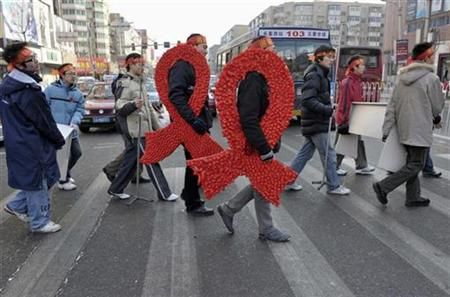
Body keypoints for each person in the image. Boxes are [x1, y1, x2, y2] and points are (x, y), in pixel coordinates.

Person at [216, 36, 290, 242]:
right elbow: (248, 118)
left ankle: (229, 209)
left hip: (265, 141)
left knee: (261, 182)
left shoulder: (265, 78)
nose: (276, 53)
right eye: (272, 49)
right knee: (265, 182)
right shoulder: (253, 80)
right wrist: (264, 147)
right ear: (260, 54)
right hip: (257, 144)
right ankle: (266, 228)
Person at [0, 42, 65, 233]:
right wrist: (58, 139)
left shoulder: (7, 86)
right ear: (19, 65)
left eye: (35, 58)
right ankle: (40, 222)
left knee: (32, 179)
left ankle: (17, 206)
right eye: (31, 60)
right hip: (32, 142)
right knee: (40, 179)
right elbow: (43, 121)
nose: (36, 63)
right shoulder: (28, 91)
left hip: (16, 141)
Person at [373, 42, 445, 207]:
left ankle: (413, 197)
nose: (433, 58)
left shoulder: (401, 79)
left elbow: (392, 105)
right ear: (426, 58)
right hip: (420, 128)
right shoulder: (431, 79)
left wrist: (387, 129)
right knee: (416, 164)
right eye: (432, 55)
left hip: (403, 128)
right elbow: (437, 105)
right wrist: (436, 117)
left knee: (412, 162)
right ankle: (383, 186)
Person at [108, 53, 177, 201]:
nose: (141, 66)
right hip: (135, 129)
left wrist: (157, 128)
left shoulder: (140, 82)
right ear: (130, 65)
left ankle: (115, 188)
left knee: (130, 162)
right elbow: (119, 105)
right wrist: (133, 105)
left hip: (144, 129)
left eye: (142, 63)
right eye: (138, 64)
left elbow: (149, 109)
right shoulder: (125, 83)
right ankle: (164, 193)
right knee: (151, 160)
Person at [286, 45, 351, 195]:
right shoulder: (315, 74)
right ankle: (334, 185)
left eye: (332, 56)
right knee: (328, 154)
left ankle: (287, 180)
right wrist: (327, 109)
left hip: (314, 120)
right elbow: (308, 100)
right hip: (316, 121)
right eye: (329, 56)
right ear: (320, 57)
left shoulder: (320, 73)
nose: (332, 60)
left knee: (305, 154)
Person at [168, 34, 214, 216]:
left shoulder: (195, 66)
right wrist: (192, 120)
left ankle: (190, 195)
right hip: (188, 123)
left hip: (198, 121)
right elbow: (176, 96)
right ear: (193, 46)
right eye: (204, 46)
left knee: (197, 161)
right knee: (197, 161)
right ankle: (192, 203)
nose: (206, 50)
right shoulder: (182, 66)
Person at [44, 63, 84, 191]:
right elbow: (43, 108)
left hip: (70, 130)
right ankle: (63, 179)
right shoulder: (50, 90)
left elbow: (80, 109)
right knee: (60, 156)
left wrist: (75, 121)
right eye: (70, 74)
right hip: (55, 130)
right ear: (62, 75)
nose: (73, 76)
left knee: (77, 153)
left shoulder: (77, 93)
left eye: (74, 73)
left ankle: (64, 173)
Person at [335, 55, 375, 176]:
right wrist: (345, 120)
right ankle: (334, 166)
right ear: (354, 67)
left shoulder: (356, 81)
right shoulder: (348, 82)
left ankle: (361, 165)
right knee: (342, 143)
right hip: (347, 117)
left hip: (354, 116)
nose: (364, 67)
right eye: (361, 65)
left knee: (356, 141)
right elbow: (345, 103)